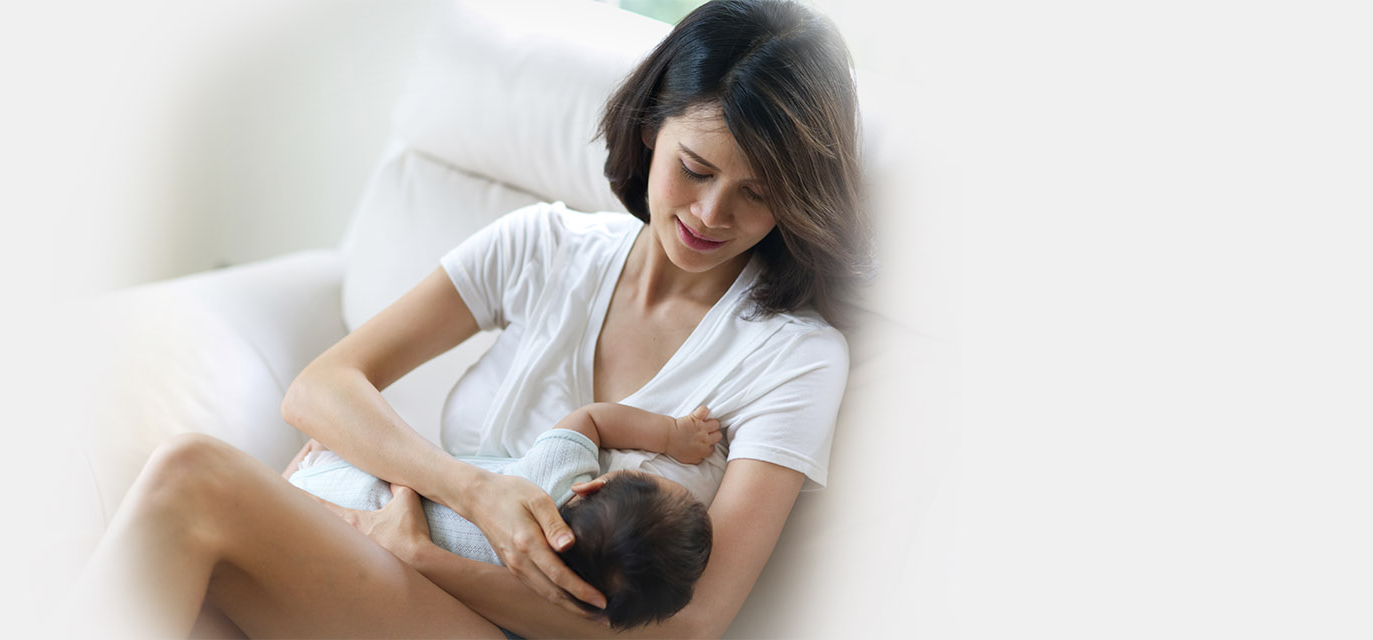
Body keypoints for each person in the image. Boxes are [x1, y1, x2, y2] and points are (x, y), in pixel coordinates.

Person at [66, 1, 865, 637]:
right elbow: (321, 389)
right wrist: (472, 493)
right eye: (695, 168)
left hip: (491, 613)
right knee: (184, 597)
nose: (711, 213)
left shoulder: (794, 357)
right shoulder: (544, 245)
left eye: (758, 193)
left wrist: (421, 553)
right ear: (653, 125)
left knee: (192, 479)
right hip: (401, 585)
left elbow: (690, 629)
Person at [284, 403, 720, 630]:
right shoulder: (530, 613)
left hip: (329, 477)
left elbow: (590, 419)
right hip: (321, 546)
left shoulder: (548, 482)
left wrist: (671, 434)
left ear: (592, 486)